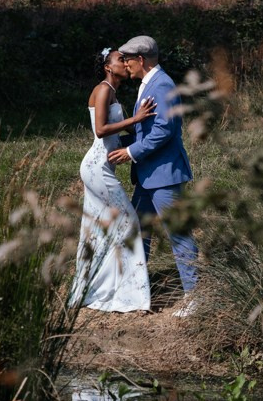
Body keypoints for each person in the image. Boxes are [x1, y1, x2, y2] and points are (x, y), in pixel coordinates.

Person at [107, 35, 198, 318]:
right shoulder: (151, 84)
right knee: (138, 230)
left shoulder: (162, 85)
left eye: (127, 60)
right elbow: (147, 128)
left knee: (177, 234)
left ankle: (195, 297)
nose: (124, 65)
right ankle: (136, 291)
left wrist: (131, 152)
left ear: (140, 60)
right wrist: (116, 142)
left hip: (164, 174)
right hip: (148, 175)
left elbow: (164, 130)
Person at [70, 48, 157, 314]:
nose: (126, 63)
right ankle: (132, 297)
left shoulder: (113, 90)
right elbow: (100, 130)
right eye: (121, 60)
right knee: (129, 223)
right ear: (109, 66)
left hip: (102, 166)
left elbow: (118, 133)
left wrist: (138, 129)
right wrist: (136, 118)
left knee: (98, 229)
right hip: (98, 168)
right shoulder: (104, 88)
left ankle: (93, 288)